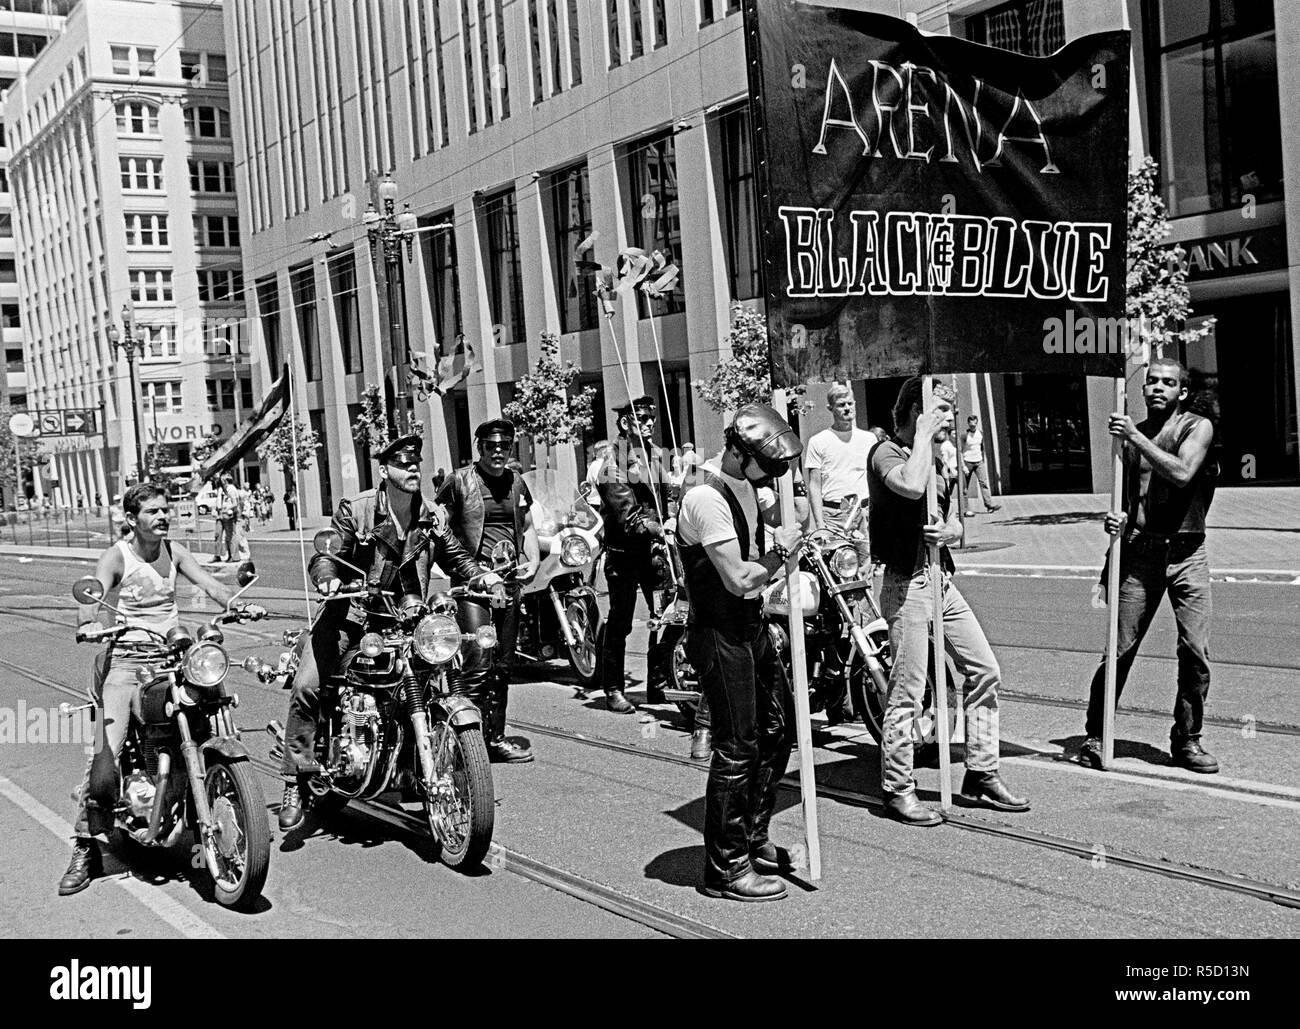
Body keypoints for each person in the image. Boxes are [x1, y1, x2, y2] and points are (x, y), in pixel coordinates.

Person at [277, 434, 490, 830]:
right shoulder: (356, 511)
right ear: (383, 470)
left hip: (405, 619)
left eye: (416, 463)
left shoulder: (430, 516)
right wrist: (327, 579)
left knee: (436, 675)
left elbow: (457, 557)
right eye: (402, 463)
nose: (413, 469)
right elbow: (328, 556)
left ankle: (420, 768)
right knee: (308, 686)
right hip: (351, 617)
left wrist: (485, 576)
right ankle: (296, 777)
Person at [61, 483, 265, 895]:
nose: (162, 516)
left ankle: (215, 786)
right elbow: (94, 590)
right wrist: (89, 623)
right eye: (152, 511)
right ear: (132, 519)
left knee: (211, 704)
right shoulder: (118, 555)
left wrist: (236, 603)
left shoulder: (173, 551)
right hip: (127, 659)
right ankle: (86, 844)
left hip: (173, 653)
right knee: (107, 753)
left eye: (164, 510)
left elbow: (210, 583)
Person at [867, 376, 1028, 826]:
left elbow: (957, 520)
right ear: (916, 413)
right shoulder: (885, 453)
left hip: (941, 580)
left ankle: (981, 771)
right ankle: (897, 790)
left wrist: (953, 531)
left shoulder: (940, 456)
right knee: (908, 692)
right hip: (906, 585)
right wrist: (922, 434)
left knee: (985, 669)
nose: (950, 418)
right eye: (941, 409)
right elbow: (911, 487)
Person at [678, 404, 805, 902]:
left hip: (748, 625)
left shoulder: (748, 485)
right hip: (718, 631)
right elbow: (738, 579)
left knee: (778, 729)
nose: (773, 474)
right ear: (736, 452)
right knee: (737, 744)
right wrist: (780, 553)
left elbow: (788, 514)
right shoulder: (706, 497)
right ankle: (725, 869)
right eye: (766, 464)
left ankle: (752, 837)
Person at [1078, 358, 1219, 774]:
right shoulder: (1129, 437)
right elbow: (1126, 501)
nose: (1158, 387)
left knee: (1195, 650)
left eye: (1168, 383)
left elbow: (1181, 472)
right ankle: (1096, 733)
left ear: (1183, 391)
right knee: (1118, 649)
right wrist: (1117, 519)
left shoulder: (1196, 427)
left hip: (1188, 554)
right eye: (1152, 381)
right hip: (1141, 553)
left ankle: (1187, 741)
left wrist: (1135, 436)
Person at [436, 418, 539, 763]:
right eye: (491, 445)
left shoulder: (516, 481)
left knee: (503, 666)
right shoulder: (459, 482)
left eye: (505, 446)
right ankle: (469, 743)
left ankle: (493, 737)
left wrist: (533, 558)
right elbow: (440, 532)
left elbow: (527, 523)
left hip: (508, 583)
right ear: (479, 447)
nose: (498, 452)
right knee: (478, 663)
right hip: (472, 586)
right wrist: (473, 571)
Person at [595, 396, 671, 713]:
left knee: (664, 619)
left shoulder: (656, 455)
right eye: (642, 418)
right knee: (621, 622)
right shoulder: (612, 464)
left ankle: (659, 684)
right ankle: (613, 688)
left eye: (652, 418)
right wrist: (662, 529)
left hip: (654, 553)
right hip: (624, 553)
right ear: (626, 423)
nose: (650, 423)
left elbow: (665, 499)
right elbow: (629, 517)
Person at [805, 382, 873, 531]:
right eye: (841, 405)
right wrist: (820, 525)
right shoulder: (818, 441)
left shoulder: (869, 439)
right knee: (840, 555)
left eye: (850, 403)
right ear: (831, 409)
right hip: (834, 515)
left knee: (868, 555)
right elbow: (815, 485)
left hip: (865, 512)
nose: (847, 408)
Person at [961, 414, 1002, 516]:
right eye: (971, 425)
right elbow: (960, 451)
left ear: (977, 423)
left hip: (978, 461)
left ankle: (989, 505)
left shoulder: (981, 434)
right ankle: (966, 509)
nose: (972, 427)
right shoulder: (965, 436)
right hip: (967, 461)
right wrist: (963, 465)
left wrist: (982, 460)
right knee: (965, 486)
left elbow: (982, 448)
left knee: (984, 483)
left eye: (974, 425)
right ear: (968, 424)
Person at [212, 473, 245, 563]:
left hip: (228, 514)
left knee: (230, 535)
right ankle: (217, 555)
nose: (217, 481)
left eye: (219, 479)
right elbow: (218, 501)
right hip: (220, 514)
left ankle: (234, 556)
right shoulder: (220, 489)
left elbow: (235, 503)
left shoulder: (231, 488)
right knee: (217, 534)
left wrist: (228, 509)